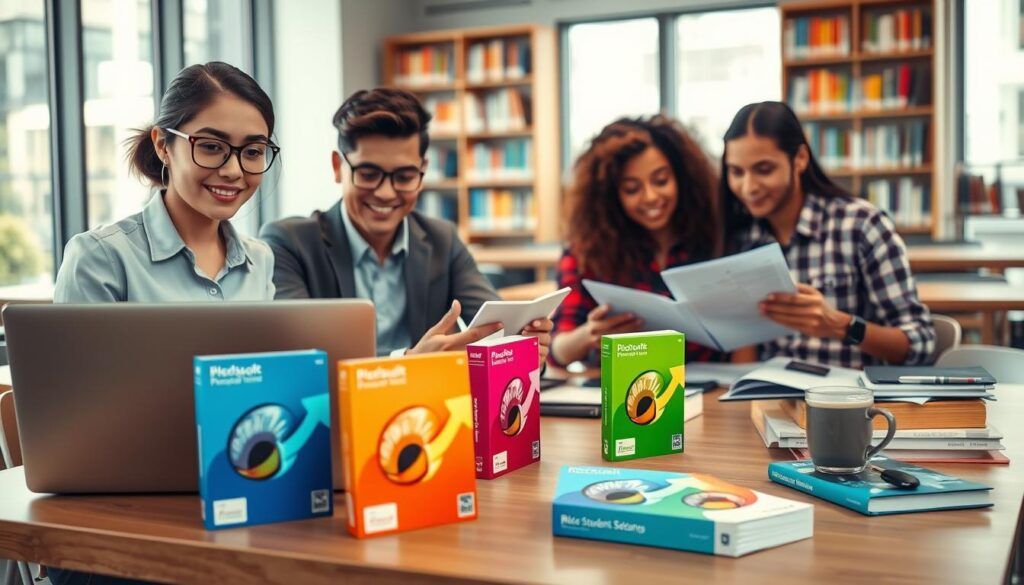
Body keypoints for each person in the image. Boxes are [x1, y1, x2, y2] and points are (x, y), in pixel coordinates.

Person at [50, 62, 278, 584]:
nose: (234, 170)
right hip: (122, 520)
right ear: (163, 144)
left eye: (253, 150)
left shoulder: (260, 261)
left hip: (238, 494)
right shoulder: (100, 258)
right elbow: (71, 426)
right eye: (211, 145)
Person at [260, 88, 552, 361]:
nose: (386, 193)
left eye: (404, 176)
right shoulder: (289, 243)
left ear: (422, 171)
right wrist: (409, 363)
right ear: (338, 167)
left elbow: (501, 328)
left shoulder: (442, 239)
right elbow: (300, 361)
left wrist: (527, 348)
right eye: (368, 173)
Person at [721, 101, 935, 367]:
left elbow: (921, 343)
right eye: (736, 172)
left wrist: (838, 325)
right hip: (771, 398)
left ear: (799, 158)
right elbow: (746, 349)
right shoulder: (744, 238)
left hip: (849, 400)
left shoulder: (861, 225)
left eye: (764, 169)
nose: (748, 187)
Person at [549, 115, 722, 367]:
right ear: (611, 197)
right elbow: (557, 351)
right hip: (623, 390)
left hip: (708, 389)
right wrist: (590, 335)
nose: (651, 197)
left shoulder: (713, 237)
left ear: (682, 179)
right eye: (632, 189)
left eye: (661, 181)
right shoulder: (588, 251)